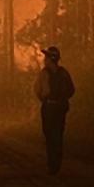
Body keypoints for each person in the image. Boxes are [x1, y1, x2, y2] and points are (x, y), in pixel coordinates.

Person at [33, 45, 75, 174]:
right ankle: (54, 163)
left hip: (54, 108)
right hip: (54, 107)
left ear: (51, 59)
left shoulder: (57, 73)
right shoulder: (54, 73)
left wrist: (53, 100)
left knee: (54, 135)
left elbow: (37, 90)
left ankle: (54, 164)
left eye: (46, 57)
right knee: (53, 134)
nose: (44, 59)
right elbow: (37, 90)